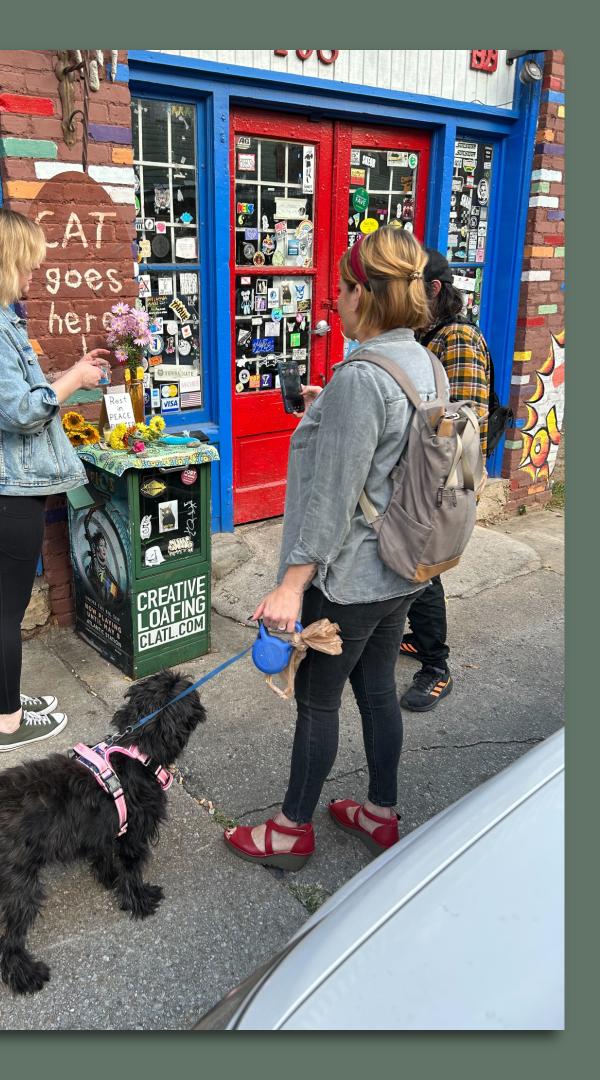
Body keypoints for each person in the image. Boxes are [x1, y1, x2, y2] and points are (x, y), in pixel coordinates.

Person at [223, 227, 440, 868]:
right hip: (406, 564)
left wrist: (290, 586)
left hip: (350, 580)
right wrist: (328, 412)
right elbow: (393, 457)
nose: (334, 301)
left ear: (365, 297)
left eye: (343, 289)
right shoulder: (421, 364)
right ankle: (379, 810)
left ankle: (290, 831)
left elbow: (330, 498)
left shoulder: (360, 379)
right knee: (375, 688)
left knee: (318, 698)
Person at [0, 207, 111, 751]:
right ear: (3, 260)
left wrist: (61, 377)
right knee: (7, 611)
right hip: (2, 490)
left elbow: (9, 397)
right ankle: (8, 724)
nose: (32, 277)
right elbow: (17, 411)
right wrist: (76, 380)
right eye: (27, 266)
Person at [395, 247, 496, 713]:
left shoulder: (456, 339)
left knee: (423, 566)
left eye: (413, 289)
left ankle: (437, 667)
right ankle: (421, 639)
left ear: (434, 289)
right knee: (412, 562)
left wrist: (445, 500)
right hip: (425, 472)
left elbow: (465, 425)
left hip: (448, 475)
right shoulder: (427, 332)